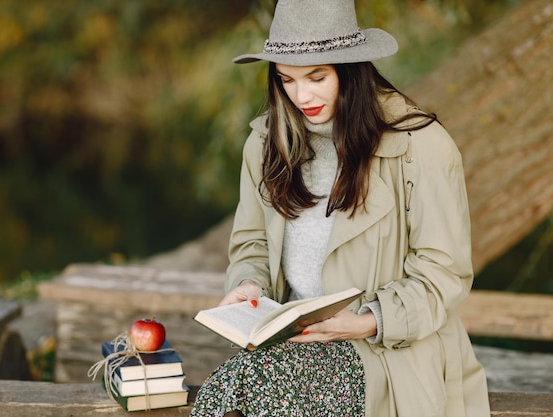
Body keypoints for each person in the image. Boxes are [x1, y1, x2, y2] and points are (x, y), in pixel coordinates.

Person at [190, 0, 490, 416]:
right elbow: (252, 245)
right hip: (290, 345)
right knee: (231, 389)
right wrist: (249, 287)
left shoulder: (420, 146)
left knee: (255, 385)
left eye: (316, 77)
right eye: (287, 80)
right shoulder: (265, 145)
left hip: (384, 351)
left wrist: (368, 320)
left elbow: (444, 274)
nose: (301, 95)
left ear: (350, 70)